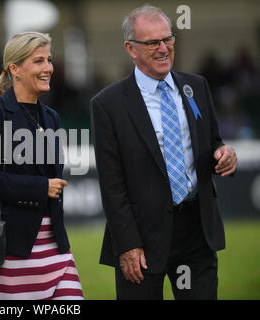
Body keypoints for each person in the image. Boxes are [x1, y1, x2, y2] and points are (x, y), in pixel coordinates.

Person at [90, 5, 237, 300]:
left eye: (167, 39)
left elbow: (213, 142)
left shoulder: (196, 87)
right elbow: (112, 184)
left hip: (197, 232)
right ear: (131, 49)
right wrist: (128, 244)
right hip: (141, 240)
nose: (163, 48)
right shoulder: (107, 104)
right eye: (152, 42)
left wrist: (223, 152)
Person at [0, 31, 83, 300]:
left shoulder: (51, 117)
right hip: (8, 247)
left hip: (54, 246)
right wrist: (39, 188)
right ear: (14, 69)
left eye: (49, 60)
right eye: (38, 61)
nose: (48, 68)